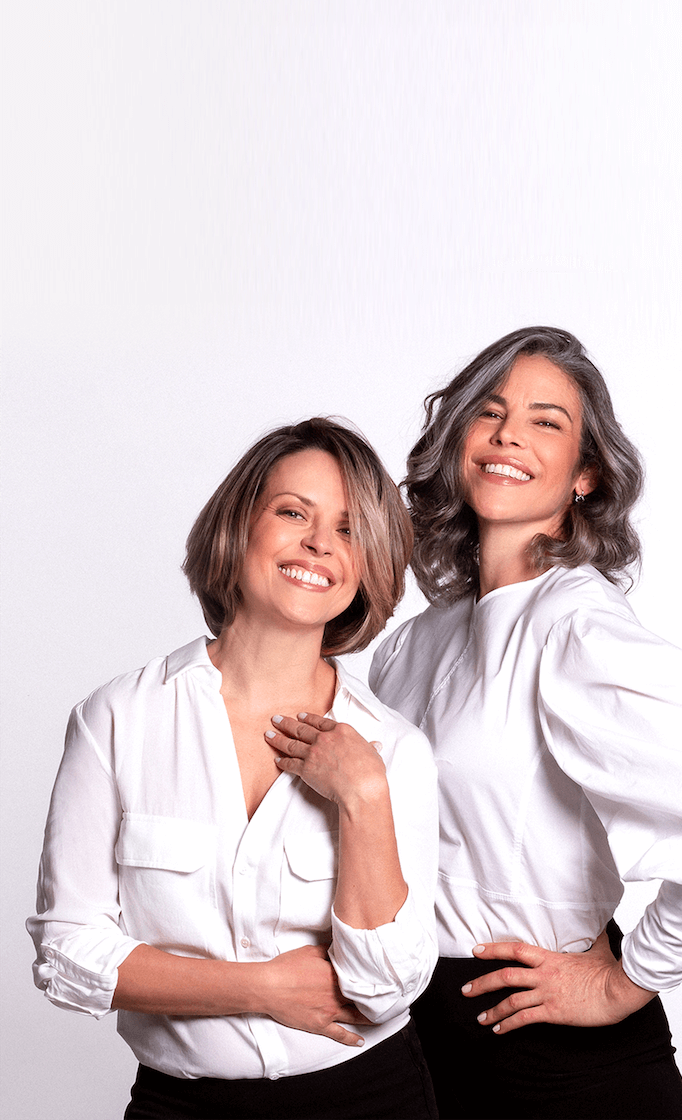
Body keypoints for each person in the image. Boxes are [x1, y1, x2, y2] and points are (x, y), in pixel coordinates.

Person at [369, 327, 682, 1120]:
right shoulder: (410, 647)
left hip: (558, 1063)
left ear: (586, 477)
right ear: (457, 437)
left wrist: (624, 981)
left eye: (546, 422)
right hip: (419, 1041)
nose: (508, 436)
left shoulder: (576, 627)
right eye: (489, 412)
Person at [28, 418, 439, 1120]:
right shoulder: (120, 719)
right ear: (237, 525)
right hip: (183, 1106)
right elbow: (68, 954)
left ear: (369, 566)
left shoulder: (392, 749)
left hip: (373, 1098)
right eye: (292, 512)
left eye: (348, 530)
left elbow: (383, 990)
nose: (318, 544)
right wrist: (261, 988)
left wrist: (365, 798)